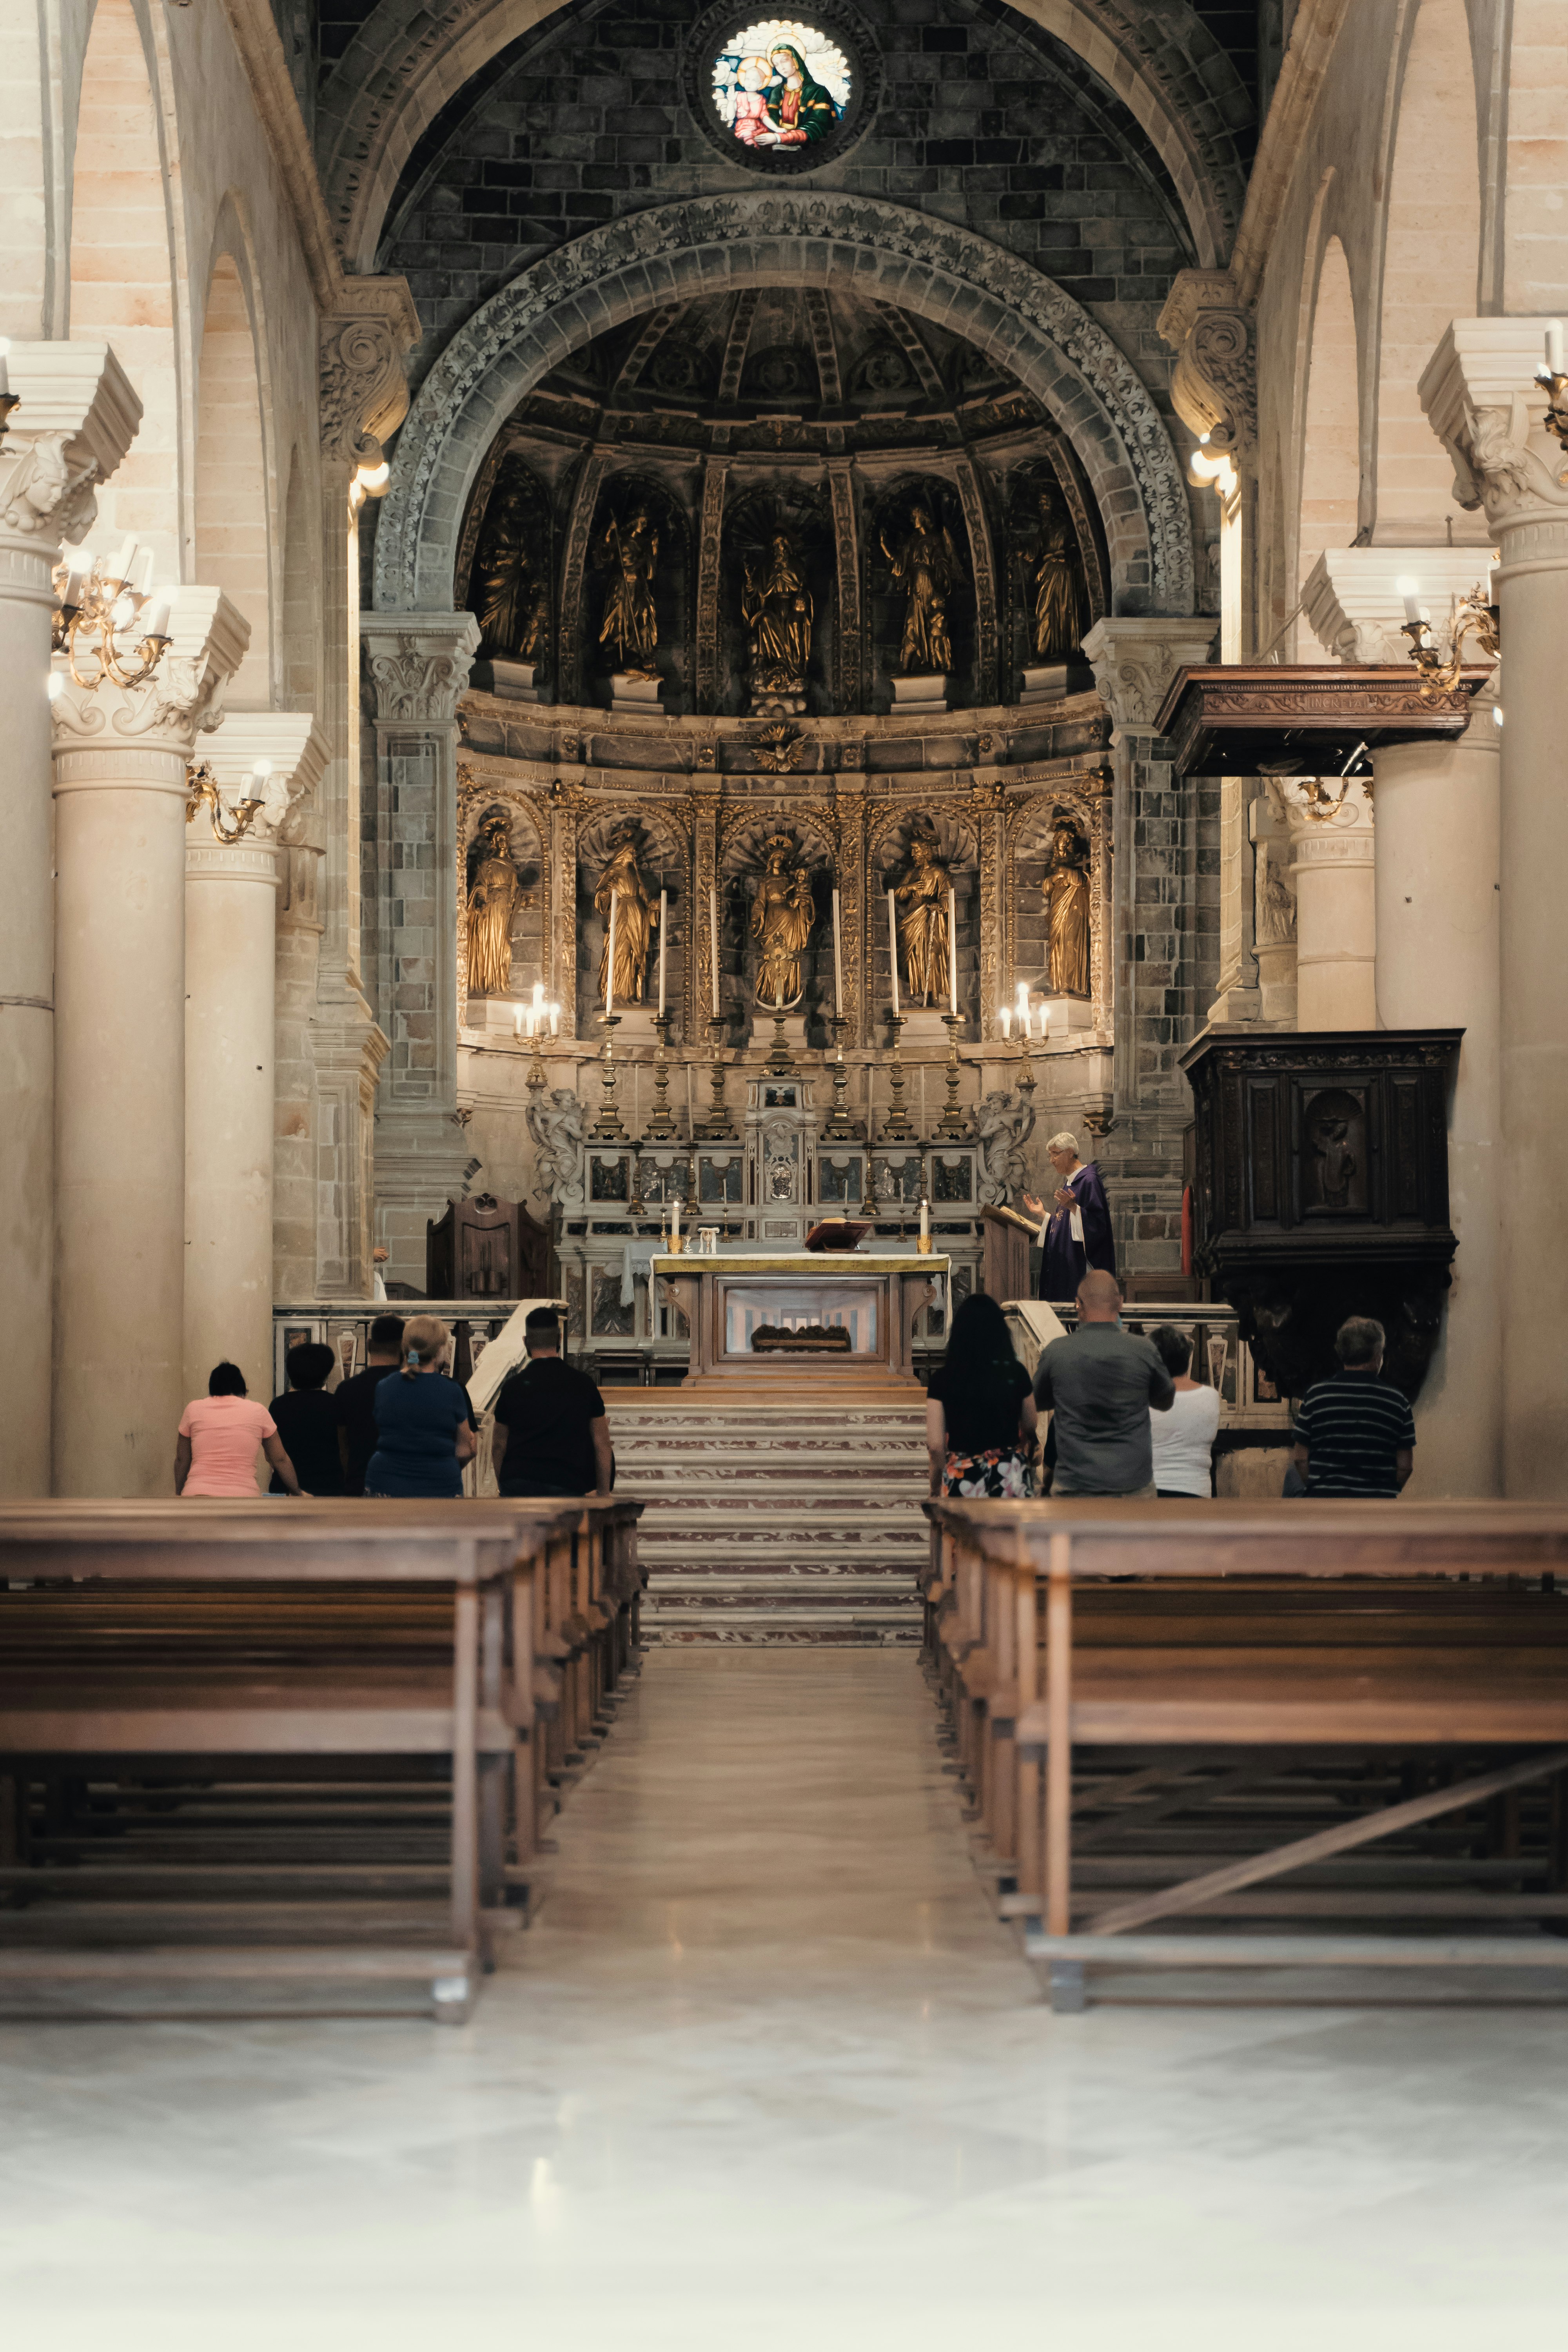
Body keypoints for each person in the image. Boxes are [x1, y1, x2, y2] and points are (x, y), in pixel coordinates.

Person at [1032, 1269, 1174, 1499]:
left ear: (1078, 1304)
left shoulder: (1057, 1352)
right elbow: (1165, 1401)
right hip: (1132, 1488)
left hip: (1074, 1489)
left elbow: (1036, 1401)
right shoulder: (1144, 1350)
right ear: (1120, 1303)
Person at [491, 1308, 612, 1497]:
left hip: (519, 1484)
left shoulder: (512, 1388)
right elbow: (602, 1444)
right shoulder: (583, 1384)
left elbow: (499, 1445)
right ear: (560, 1339)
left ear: (526, 1342)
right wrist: (604, 1494)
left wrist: (506, 1487)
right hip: (568, 1483)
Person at [926, 1293, 1038, 1497]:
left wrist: (935, 1486)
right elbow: (1030, 1423)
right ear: (1001, 1332)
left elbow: (935, 1446)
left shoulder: (942, 1379)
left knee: (963, 1531)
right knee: (1011, 1531)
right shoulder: (1016, 1372)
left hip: (963, 1477)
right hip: (1010, 1476)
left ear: (958, 1333)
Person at [1291, 1315, 1416, 1498]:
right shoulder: (1397, 1402)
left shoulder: (1316, 1396)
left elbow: (1301, 1459)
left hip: (1324, 1508)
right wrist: (1383, 1491)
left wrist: (1321, 1487)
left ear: (1341, 1352)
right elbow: (1405, 1467)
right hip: (1377, 1511)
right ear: (1377, 1355)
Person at [363, 1315, 478, 1500]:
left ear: (406, 1347)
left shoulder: (384, 1387)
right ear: (441, 1350)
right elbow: (465, 1450)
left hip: (386, 1483)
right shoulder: (451, 1391)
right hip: (440, 1484)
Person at [176, 1361, 304, 1499]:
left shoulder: (194, 1409)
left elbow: (182, 1460)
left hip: (197, 1494)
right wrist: (297, 1492)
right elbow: (280, 1459)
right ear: (243, 1390)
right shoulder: (257, 1411)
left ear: (212, 1390)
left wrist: (179, 1493)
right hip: (244, 1496)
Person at [1022, 1129, 1115, 1302]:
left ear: (1071, 1152)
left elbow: (1097, 1226)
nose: (1052, 1161)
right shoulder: (1070, 1183)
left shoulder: (1089, 1181)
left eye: (1055, 1154)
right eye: (1050, 1156)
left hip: (1080, 1267)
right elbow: (1064, 1225)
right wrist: (1043, 1215)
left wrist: (1073, 1207)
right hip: (1067, 1263)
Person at [334, 1314, 406, 1496]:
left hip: (360, 1481)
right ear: (404, 1347)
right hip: (405, 1484)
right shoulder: (413, 1387)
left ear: (369, 1345)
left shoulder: (347, 1389)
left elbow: (342, 1446)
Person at [1147, 1325, 1221, 1498]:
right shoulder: (1211, 1396)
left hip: (1152, 1491)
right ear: (1188, 1358)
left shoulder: (1145, 1398)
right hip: (1197, 1491)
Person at [266, 1341, 344, 1498]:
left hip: (286, 1490)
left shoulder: (278, 1406)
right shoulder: (337, 1404)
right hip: (330, 1488)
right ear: (326, 1374)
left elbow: (271, 1457)